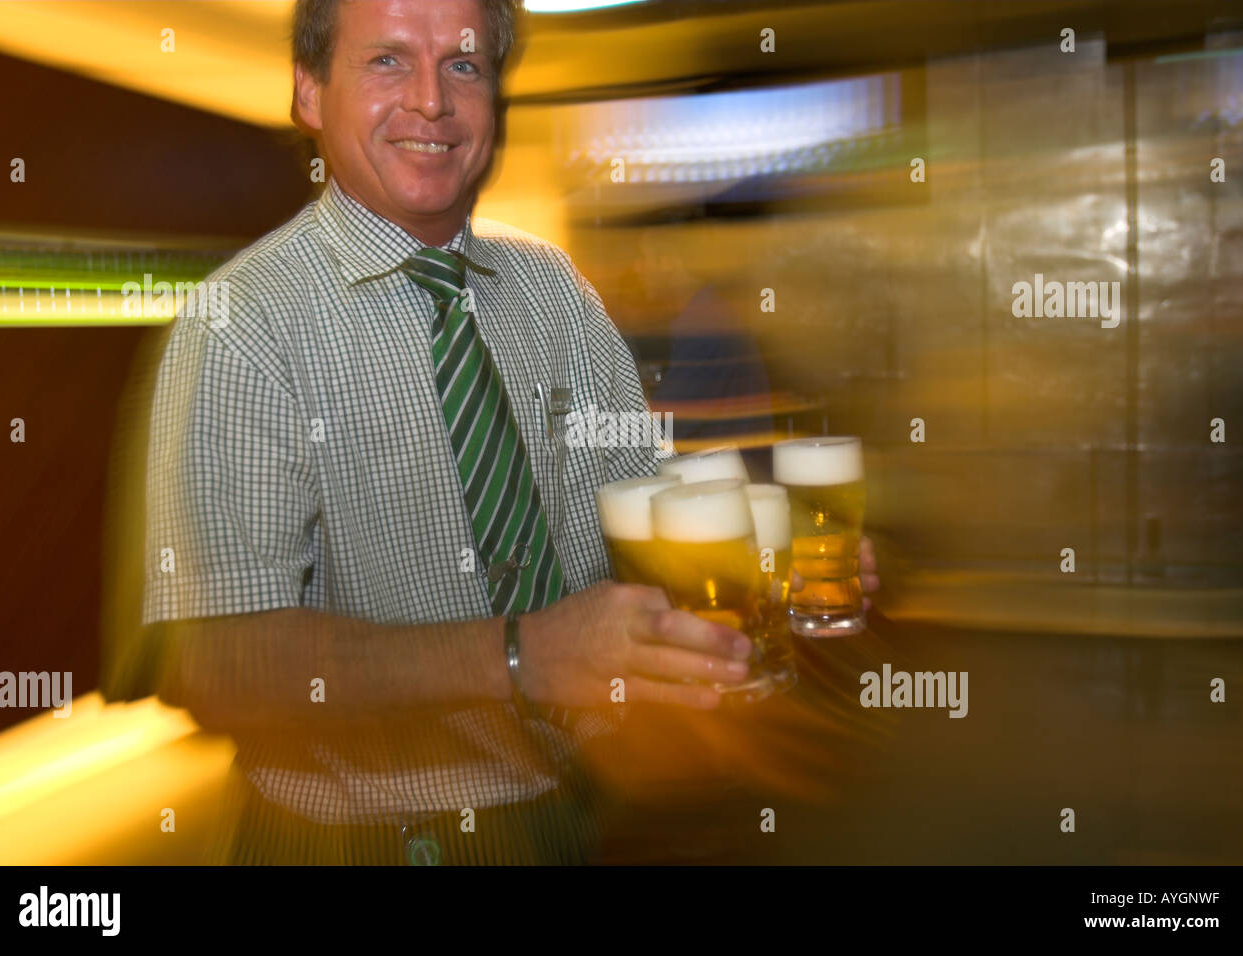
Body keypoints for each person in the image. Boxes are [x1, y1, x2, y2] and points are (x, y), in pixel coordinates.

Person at [131, 0, 879, 865]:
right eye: (386, 62)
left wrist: (761, 563)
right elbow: (218, 666)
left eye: (464, 64)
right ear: (307, 93)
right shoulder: (242, 322)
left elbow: (641, 523)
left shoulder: (554, 290)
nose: (432, 102)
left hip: (568, 818)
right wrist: (522, 657)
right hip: (356, 841)